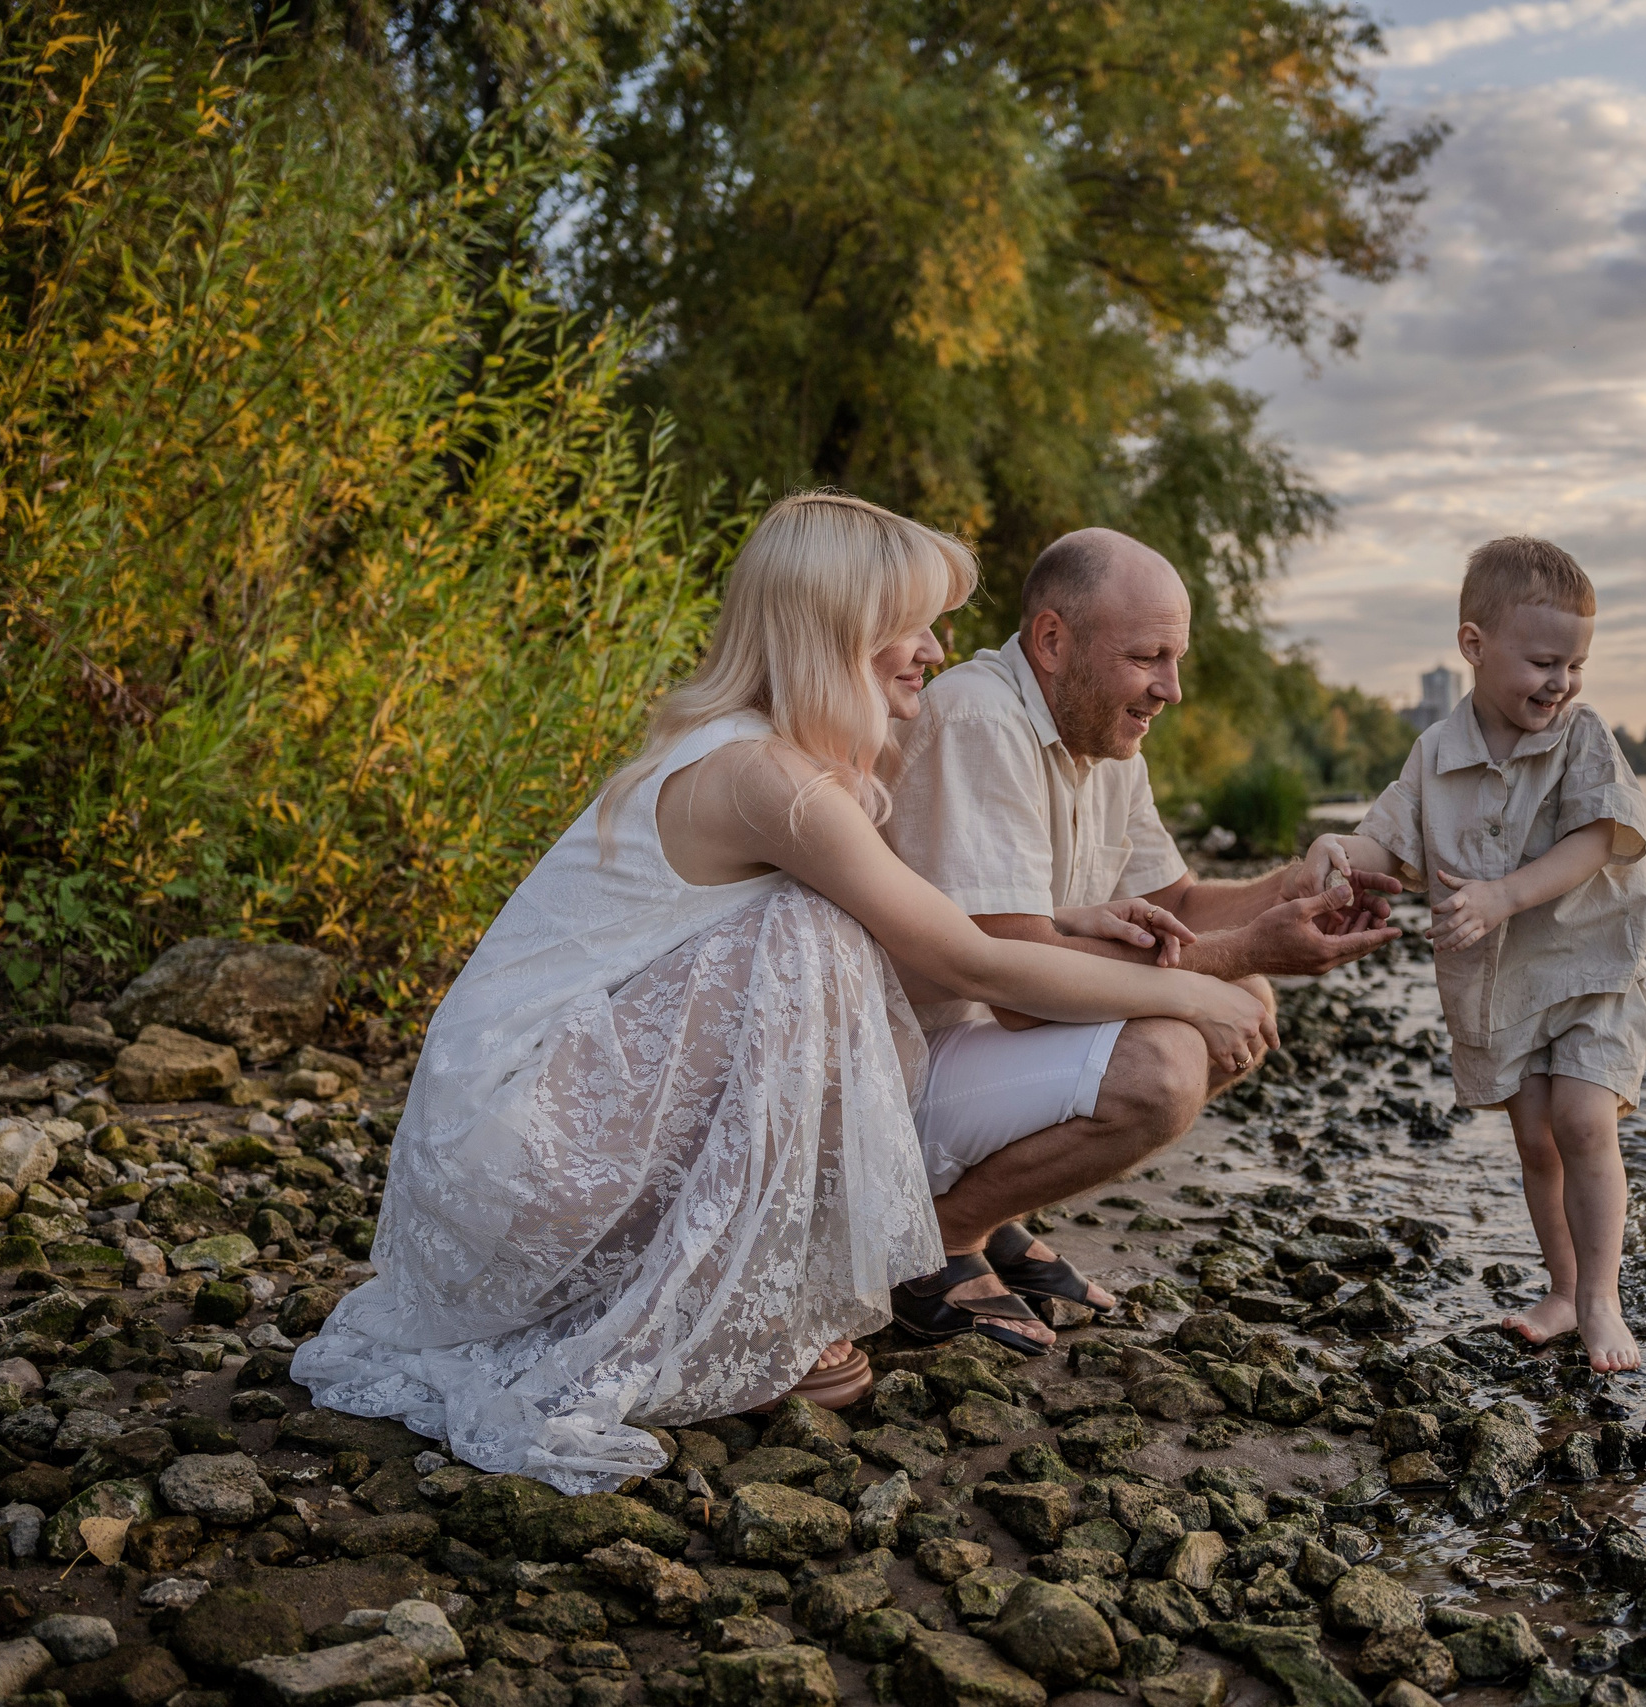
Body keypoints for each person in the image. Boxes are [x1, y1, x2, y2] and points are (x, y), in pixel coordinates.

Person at [290, 494, 1269, 1492]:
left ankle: (757, 1283)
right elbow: (969, 962)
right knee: (811, 934)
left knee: (825, 933)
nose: (935, 651)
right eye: (913, 625)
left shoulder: (765, 756)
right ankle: (750, 1315)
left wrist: (1067, 921)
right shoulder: (767, 779)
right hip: (514, 1158)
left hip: (514, 1136)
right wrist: (1196, 996)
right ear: (838, 627)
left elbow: (932, 954)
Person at [881, 527, 1403, 1350]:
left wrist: (1295, 890)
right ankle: (933, 1237)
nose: (1172, 688)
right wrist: (1244, 950)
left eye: (1176, 658)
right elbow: (1014, 986)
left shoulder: (1106, 734)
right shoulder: (980, 717)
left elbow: (1180, 901)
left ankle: (992, 1205)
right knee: (1162, 1066)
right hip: (896, 1073)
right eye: (1148, 657)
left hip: (976, 1055)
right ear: (1053, 641)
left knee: (1245, 998)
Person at [1287, 536, 1646, 1373]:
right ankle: (1563, 1290)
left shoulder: (1582, 737)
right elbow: (1390, 842)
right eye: (1544, 662)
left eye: (1576, 664)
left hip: (1592, 967)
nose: (1561, 682)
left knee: (1583, 1122)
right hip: (1505, 983)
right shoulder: (1435, 755)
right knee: (1537, 1141)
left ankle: (1602, 1298)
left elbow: (1599, 838)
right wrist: (1335, 849)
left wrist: (1502, 895)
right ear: (1474, 645)